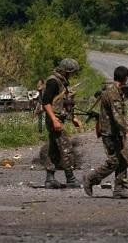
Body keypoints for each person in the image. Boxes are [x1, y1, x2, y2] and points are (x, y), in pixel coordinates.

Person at [83, 66, 128, 199]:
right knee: (114, 161)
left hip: (116, 132)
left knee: (124, 159)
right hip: (110, 133)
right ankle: (91, 178)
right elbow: (117, 115)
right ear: (125, 78)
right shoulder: (113, 93)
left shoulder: (116, 91)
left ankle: (120, 188)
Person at [41, 58, 82, 189]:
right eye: (72, 72)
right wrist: (54, 119)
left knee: (54, 149)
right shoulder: (53, 81)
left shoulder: (62, 82)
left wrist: (73, 118)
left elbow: (64, 102)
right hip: (55, 120)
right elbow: (46, 102)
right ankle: (70, 178)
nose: (72, 75)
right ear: (66, 71)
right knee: (66, 148)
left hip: (58, 119)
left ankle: (50, 179)